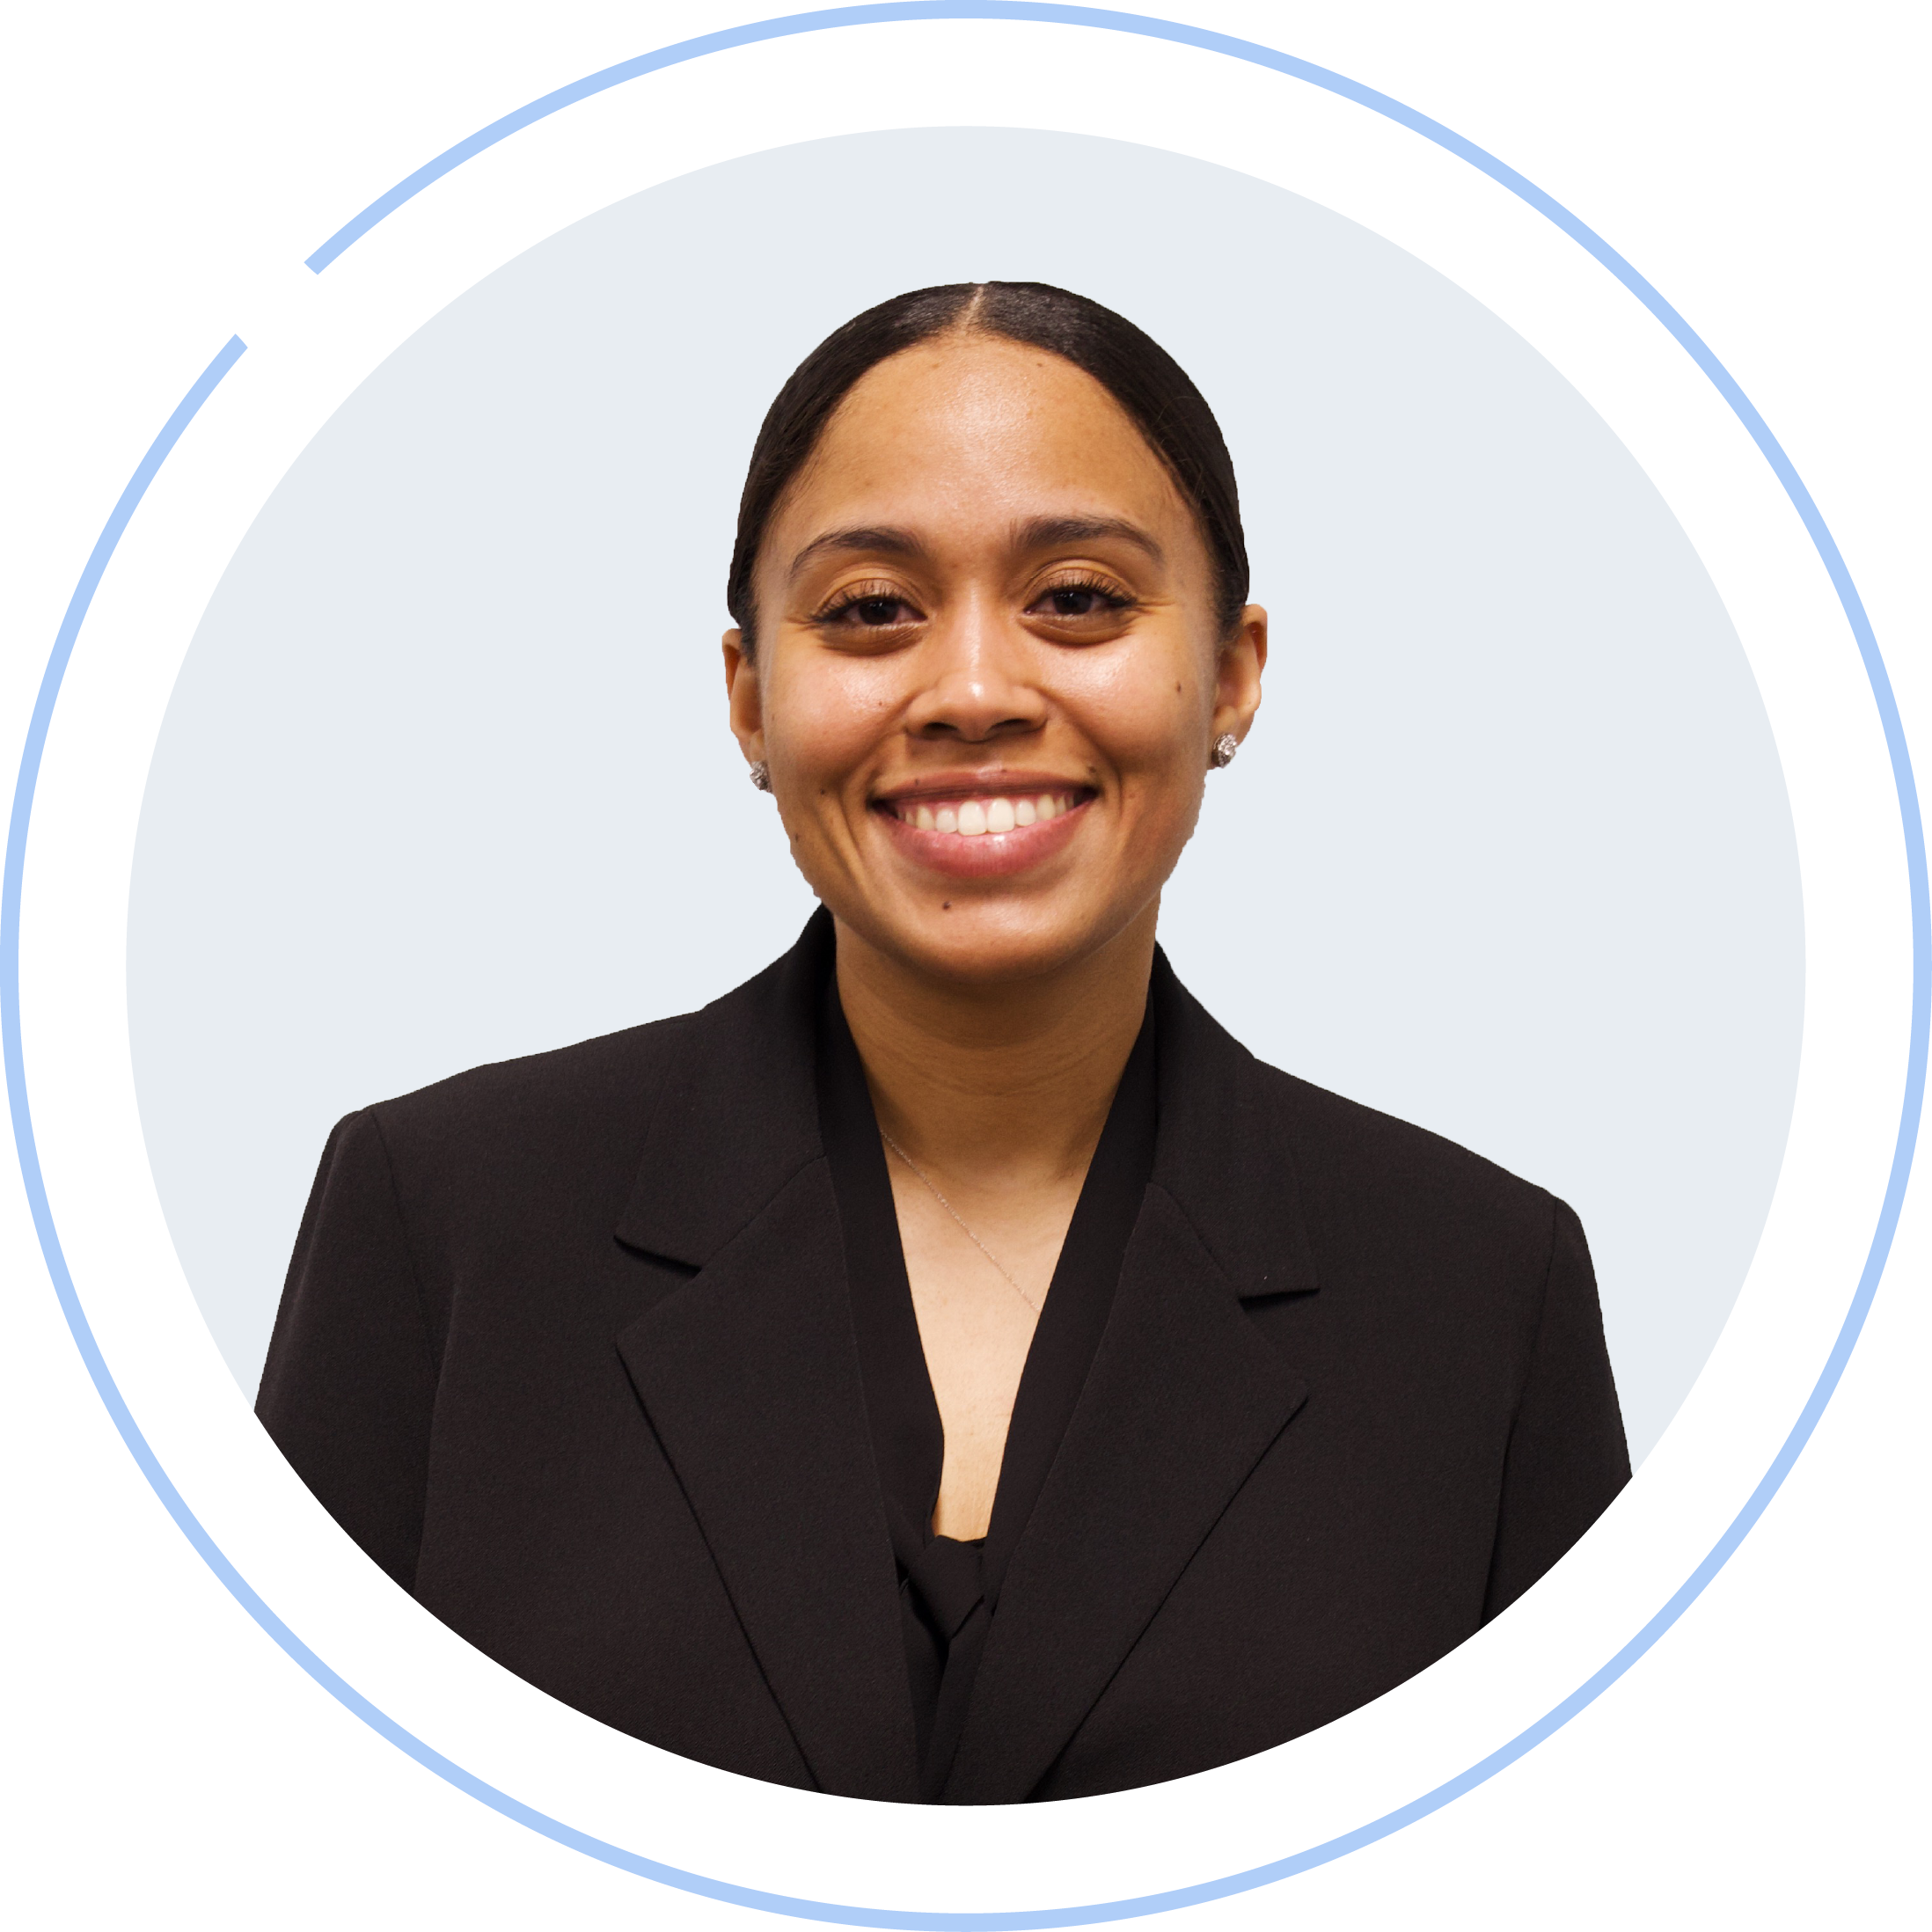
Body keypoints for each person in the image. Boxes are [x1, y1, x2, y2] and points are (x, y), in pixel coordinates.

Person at [256, 282, 1629, 1806]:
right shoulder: (442, 1224)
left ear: (1233, 675)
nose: (975, 689)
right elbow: (250, 1842)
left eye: (1083, 599)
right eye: (868, 613)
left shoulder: (1484, 1293)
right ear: (749, 698)